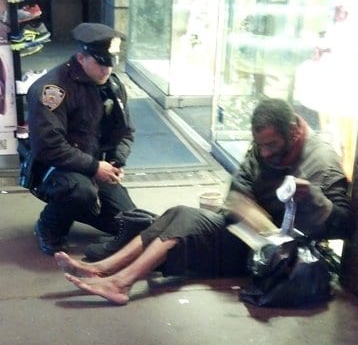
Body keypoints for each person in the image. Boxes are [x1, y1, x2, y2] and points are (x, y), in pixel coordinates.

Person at [55, 98, 353, 304]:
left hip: (277, 257)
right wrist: (245, 209)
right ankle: (106, 268)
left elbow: (341, 225)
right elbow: (239, 188)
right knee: (179, 212)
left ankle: (120, 284)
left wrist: (312, 198)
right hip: (250, 236)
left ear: (295, 132)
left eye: (272, 145)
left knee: (186, 221)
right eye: (260, 145)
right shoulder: (266, 146)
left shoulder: (322, 162)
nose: (264, 153)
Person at [27, 22, 137, 255]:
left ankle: (84, 203)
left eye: (111, 62)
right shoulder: (52, 90)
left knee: (128, 225)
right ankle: (49, 226)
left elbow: (126, 131)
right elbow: (48, 147)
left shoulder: (112, 85)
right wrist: (95, 167)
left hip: (93, 167)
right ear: (81, 57)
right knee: (80, 193)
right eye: (100, 62)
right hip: (55, 170)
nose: (107, 70)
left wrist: (117, 161)